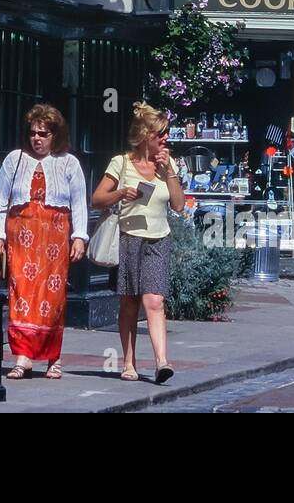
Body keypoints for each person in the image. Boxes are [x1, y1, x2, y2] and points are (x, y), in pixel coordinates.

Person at [0, 103, 88, 380]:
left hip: (54, 237)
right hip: (21, 235)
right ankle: (23, 357)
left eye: (44, 134)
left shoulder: (69, 163)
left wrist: (79, 237)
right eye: (34, 133)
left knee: (52, 297)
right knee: (20, 293)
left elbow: (79, 203)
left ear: (55, 136)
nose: (37, 138)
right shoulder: (14, 159)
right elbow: (0, 202)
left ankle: (52, 357)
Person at [92, 103, 185, 383]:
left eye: (166, 133)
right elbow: (97, 199)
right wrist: (121, 193)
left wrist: (169, 170)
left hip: (159, 239)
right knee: (130, 303)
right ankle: (129, 362)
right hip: (129, 238)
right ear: (145, 134)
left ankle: (161, 362)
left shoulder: (167, 166)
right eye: (160, 133)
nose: (165, 138)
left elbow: (179, 205)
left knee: (154, 301)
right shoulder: (121, 163)